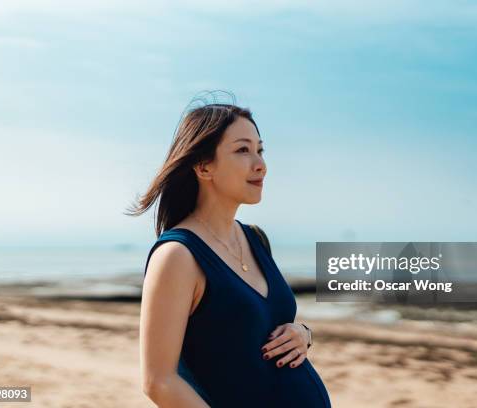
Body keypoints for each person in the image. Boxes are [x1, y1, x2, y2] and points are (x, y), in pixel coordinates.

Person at [127, 96, 332, 407]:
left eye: (260, 150)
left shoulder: (255, 239)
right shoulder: (177, 256)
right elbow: (158, 381)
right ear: (203, 166)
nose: (260, 163)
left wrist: (302, 333)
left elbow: (259, 328)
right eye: (242, 150)